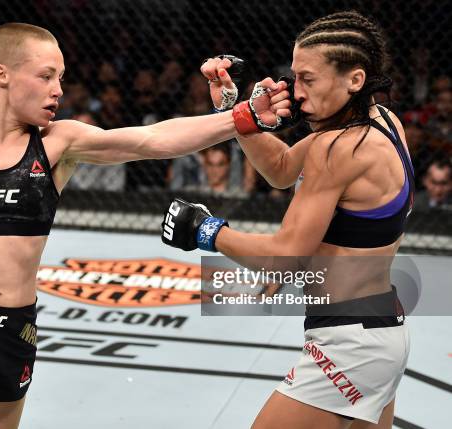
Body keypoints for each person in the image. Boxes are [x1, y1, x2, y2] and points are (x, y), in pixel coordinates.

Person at [0, 23, 281, 429]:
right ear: (1, 74)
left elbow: (152, 140)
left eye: (60, 77)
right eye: (45, 76)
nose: (58, 90)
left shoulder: (58, 142)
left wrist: (244, 116)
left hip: (13, 328)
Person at [162, 11, 412, 429]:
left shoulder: (337, 148)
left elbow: (284, 260)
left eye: (307, 80)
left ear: (354, 79)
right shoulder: (383, 124)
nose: (295, 92)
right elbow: (280, 168)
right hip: (381, 332)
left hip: (349, 344)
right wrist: (236, 113)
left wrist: (205, 231)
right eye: (295, 76)